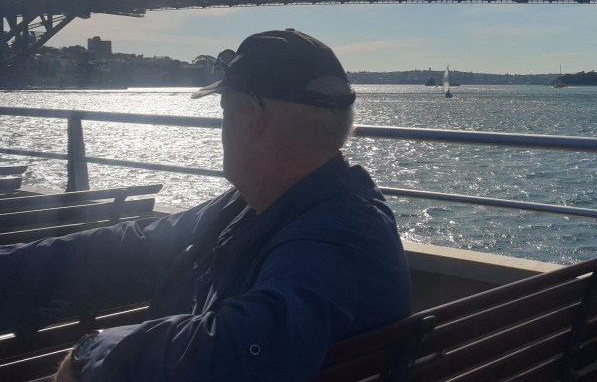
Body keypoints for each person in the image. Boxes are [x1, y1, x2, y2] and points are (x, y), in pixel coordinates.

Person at [0, 29, 411, 382]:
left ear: (250, 118)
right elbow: (139, 244)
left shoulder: (338, 236)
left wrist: (95, 353)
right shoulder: (260, 205)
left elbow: (246, 348)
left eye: (224, 110)